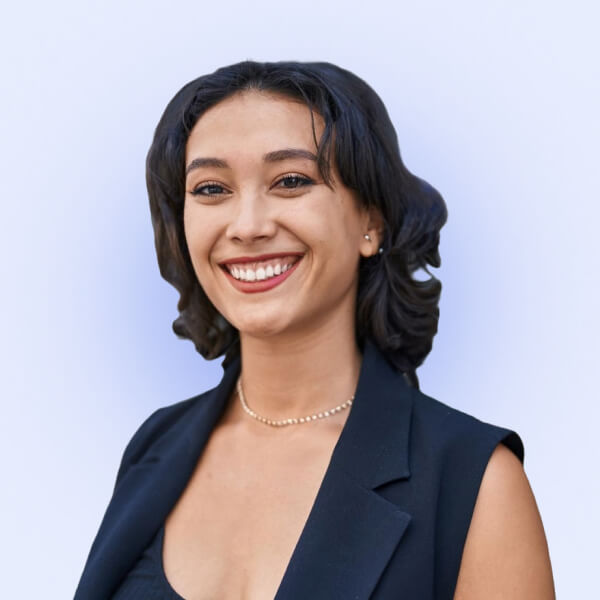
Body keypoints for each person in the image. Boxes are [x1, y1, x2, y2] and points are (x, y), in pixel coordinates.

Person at [74, 61, 555, 599]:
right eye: (211, 188)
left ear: (370, 221)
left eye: (291, 181)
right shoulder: (154, 448)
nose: (248, 225)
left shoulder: (474, 480)